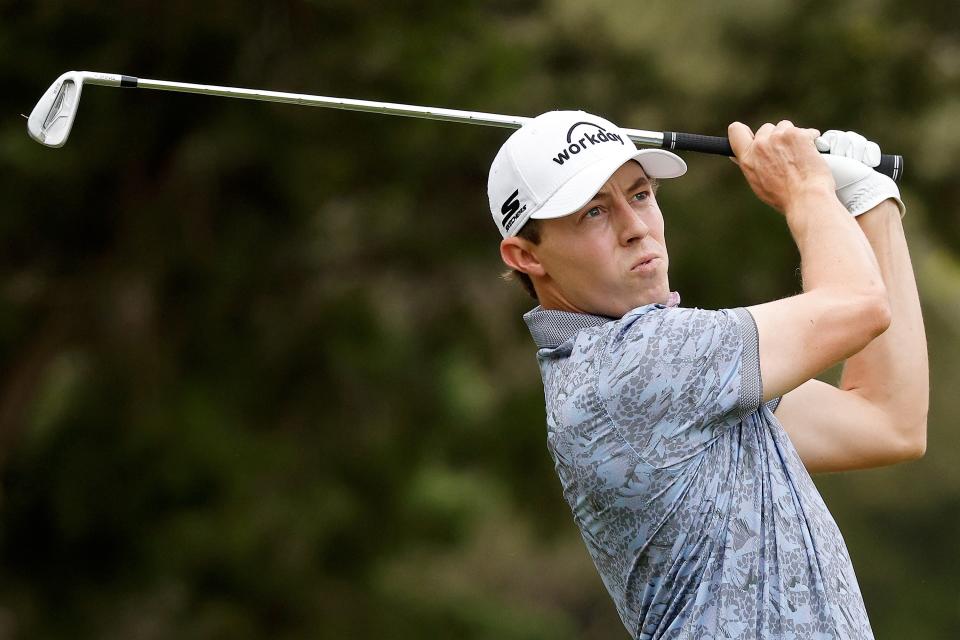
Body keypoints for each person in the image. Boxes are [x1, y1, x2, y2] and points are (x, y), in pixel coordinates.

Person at [486, 111, 928, 639]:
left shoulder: (684, 378)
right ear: (525, 256)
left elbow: (887, 419)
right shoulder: (633, 367)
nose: (635, 228)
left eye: (642, 194)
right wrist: (807, 188)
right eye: (594, 213)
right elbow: (859, 306)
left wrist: (870, 204)